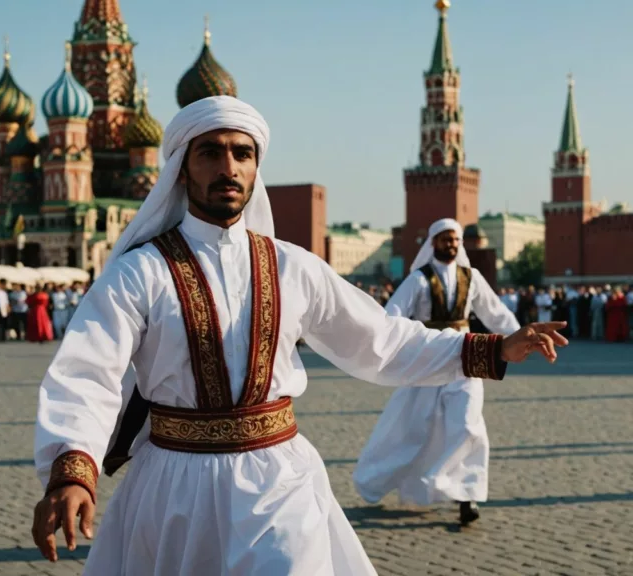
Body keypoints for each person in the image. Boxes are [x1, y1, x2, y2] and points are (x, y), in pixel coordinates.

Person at [30, 96, 566, 575]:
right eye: (210, 153)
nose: (228, 167)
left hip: (278, 481)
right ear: (181, 170)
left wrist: (494, 347)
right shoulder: (138, 273)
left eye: (242, 154)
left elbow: (380, 342)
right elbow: (87, 372)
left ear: (256, 167)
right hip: (174, 486)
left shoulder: (293, 268)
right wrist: (73, 470)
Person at [352, 218, 521, 526]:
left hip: (467, 359)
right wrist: (390, 346)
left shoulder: (472, 277)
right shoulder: (418, 279)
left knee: (469, 424)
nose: (452, 244)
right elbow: (392, 315)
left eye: (455, 240)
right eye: (445, 239)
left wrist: (520, 335)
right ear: (433, 243)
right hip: (427, 361)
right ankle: (389, 479)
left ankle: (466, 494)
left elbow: (495, 312)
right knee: (415, 427)